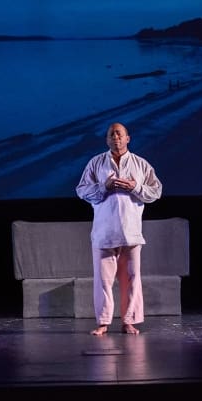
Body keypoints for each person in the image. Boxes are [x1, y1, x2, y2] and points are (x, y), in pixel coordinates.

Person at [75, 122, 163, 336]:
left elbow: (156, 192)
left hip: (131, 231)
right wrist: (103, 187)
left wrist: (135, 187)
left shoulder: (140, 164)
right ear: (107, 140)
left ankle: (128, 321)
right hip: (104, 232)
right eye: (111, 134)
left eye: (119, 133)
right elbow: (82, 191)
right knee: (103, 280)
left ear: (127, 138)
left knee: (132, 279)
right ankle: (103, 322)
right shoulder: (96, 163)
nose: (115, 137)